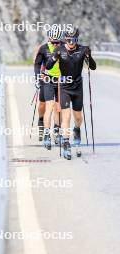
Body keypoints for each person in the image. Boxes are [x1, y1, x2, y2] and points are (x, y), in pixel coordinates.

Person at [46, 27, 96, 159]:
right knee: (66, 116)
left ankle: (77, 129)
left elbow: (93, 67)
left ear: (77, 39)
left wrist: (89, 57)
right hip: (64, 87)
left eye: (73, 39)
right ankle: (66, 143)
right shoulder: (59, 50)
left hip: (77, 87)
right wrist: (53, 58)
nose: (71, 42)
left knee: (78, 118)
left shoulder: (83, 49)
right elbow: (48, 66)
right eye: (68, 39)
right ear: (65, 39)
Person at [34, 24, 63, 149]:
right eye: (53, 41)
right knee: (45, 105)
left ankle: (56, 131)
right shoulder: (43, 48)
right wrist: (37, 77)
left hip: (61, 80)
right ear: (49, 38)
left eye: (58, 41)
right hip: (47, 79)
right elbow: (37, 64)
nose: (56, 44)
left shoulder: (64, 47)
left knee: (59, 107)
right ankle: (44, 128)